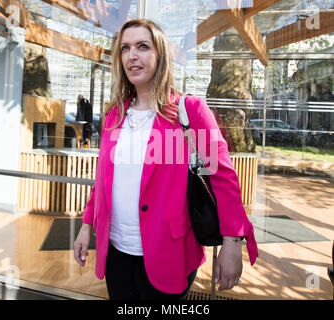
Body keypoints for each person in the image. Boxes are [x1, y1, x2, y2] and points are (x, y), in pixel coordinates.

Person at [74, 19, 258, 300]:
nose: (132, 55)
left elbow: (222, 178)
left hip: (168, 253)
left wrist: (232, 242)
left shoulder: (189, 111)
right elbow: (102, 180)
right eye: (125, 48)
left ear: (160, 56)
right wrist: (87, 225)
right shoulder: (114, 115)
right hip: (116, 253)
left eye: (143, 47)